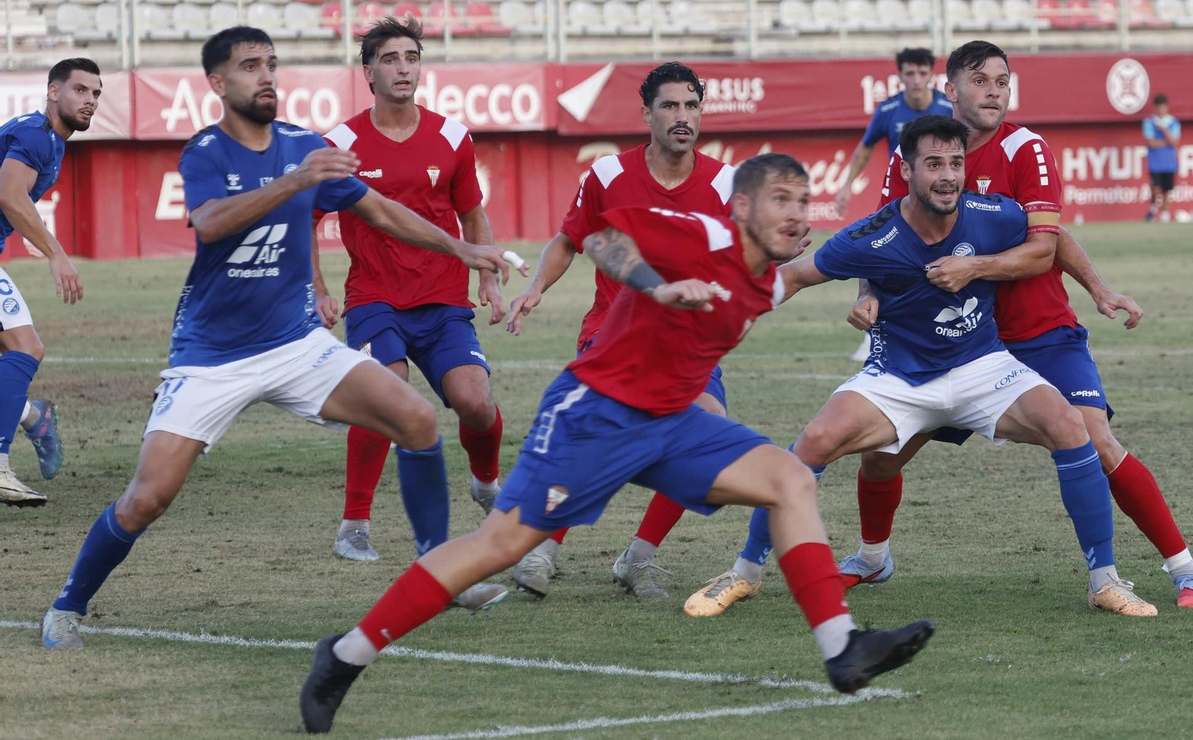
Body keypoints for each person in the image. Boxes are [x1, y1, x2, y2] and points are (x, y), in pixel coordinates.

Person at [298, 153, 934, 734]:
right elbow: (597, 235)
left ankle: (841, 649)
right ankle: (346, 654)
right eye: (781, 199)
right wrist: (657, 286)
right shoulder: (697, 234)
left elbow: (817, 270)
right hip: (593, 417)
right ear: (740, 208)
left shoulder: (766, 284)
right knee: (498, 547)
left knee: (789, 479)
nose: (797, 213)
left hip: (672, 424)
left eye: (803, 200)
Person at [40, 27, 516, 651]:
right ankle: (67, 607)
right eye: (248, 67)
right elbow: (210, 224)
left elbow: (377, 210)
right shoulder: (206, 151)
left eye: (271, 64)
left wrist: (463, 247)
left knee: (417, 417)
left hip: (296, 346)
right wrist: (295, 182)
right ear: (217, 83)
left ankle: (438, 570)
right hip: (213, 357)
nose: (266, 76)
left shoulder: (302, 144)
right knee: (146, 498)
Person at [685, 115, 1157, 620]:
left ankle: (1104, 582)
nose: (948, 175)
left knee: (1070, 425)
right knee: (814, 441)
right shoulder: (873, 235)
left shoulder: (991, 213)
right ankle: (745, 574)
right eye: (934, 164)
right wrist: (723, 302)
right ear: (907, 171)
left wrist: (1101, 290)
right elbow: (795, 277)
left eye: (955, 162)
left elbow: (1052, 238)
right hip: (899, 379)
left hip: (983, 366)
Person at [843, 43, 1193, 609]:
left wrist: (1094, 289)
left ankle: (1185, 570)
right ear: (952, 90)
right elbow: (882, 236)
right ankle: (872, 559)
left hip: (1038, 334)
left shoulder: (1025, 148)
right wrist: (869, 294)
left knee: (1096, 440)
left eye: (1002, 81)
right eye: (980, 80)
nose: (994, 91)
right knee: (881, 455)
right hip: (952, 343)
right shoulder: (913, 151)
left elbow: (1045, 247)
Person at [501, 61, 736, 599]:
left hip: (687, 343)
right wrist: (536, 288)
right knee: (594, 441)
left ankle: (638, 558)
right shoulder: (608, 176)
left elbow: (741, 258)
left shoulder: (726, 183)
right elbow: (568, 240)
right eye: (670, 106)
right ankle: (540, 549)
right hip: (614, 336)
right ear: (647, 114)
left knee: (708, 437)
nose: (683, 117)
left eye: (692, 106)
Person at [312, 18, 513, 564]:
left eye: (411, 57)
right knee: (386, 392)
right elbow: (305, 218)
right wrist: (319, 289)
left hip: (444, 301)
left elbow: (473, 214)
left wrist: (488, 279)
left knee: (475, 401)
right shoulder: (342, 143)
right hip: (375, 299)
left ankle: (485, 479)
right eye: (390, 59)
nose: (403, 68)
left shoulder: (452, 137)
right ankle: (354, 525)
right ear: (369, 71)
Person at [0, 57, 101, 507]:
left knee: (16, 353)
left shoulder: (52, 143)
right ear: (54, 91)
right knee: (26, 348)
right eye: (81, 90)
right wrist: (57, 252)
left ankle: (30, 414)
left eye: (96, 94)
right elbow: (9, 194)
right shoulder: (35, 136)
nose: (90, 101)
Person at [832, 47, 951, 218]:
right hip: (900, 188)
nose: (916, 80)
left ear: (931, 75)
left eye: (922, 73)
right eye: (910, 74)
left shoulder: (949, 108)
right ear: (900, 76)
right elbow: (865, 147)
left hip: (940, 187)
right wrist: (847, 185)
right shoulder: (888, 110)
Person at [1143, 94, 1181, 222]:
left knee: (1167, 191)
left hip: (1169, 163)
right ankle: (1153, 208)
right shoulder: (1149, 122)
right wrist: (1166, 142)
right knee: (1156, 189)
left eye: (1163, 107)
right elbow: (1150, 142)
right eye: (1158, 108)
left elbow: (1175, 142)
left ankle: (1164, 215)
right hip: (1155, 163)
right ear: (1155, 108)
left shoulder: (1173, 122)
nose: (1160, 110)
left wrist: (1164, 130)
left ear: (1167, 107)